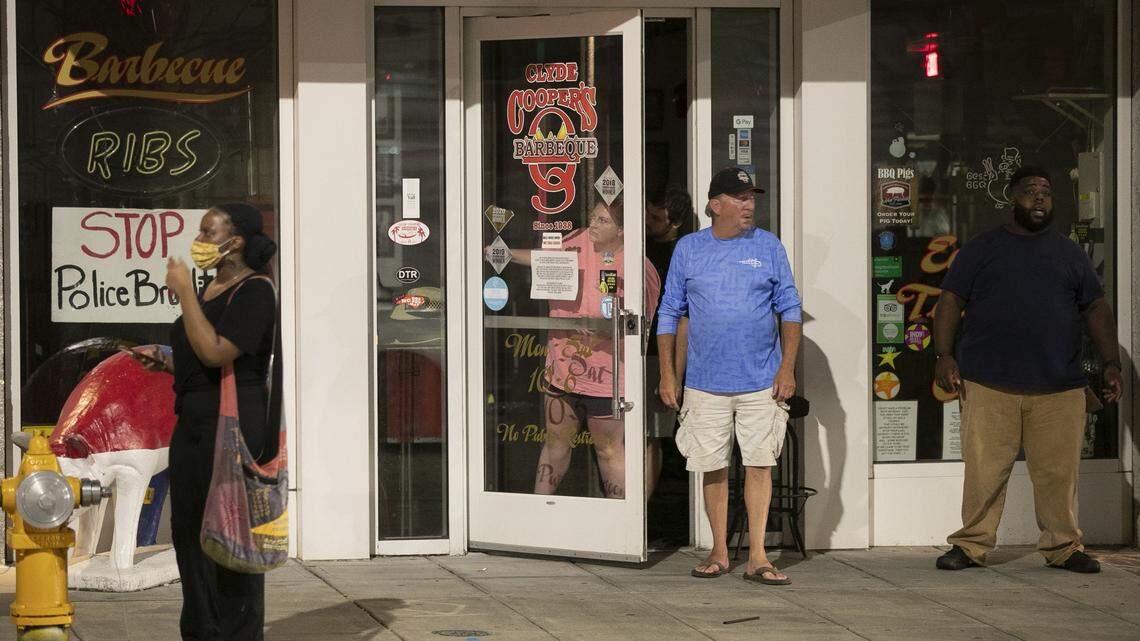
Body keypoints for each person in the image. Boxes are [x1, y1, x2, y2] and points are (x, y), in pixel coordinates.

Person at [934, 165, 1121, 574]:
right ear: (1011, 199)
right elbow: (949, 300)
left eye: (1046, 193)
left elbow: (1095, 307)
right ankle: (970, 545)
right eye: (1030, 192)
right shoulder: (983, 248)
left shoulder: (1069, 252)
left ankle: (1063, 547)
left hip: (1059, 385)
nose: (1039, 198)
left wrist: (1111, 362)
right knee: (984, 471)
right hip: (988, 382)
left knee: (1058, 475)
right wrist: (943, 355)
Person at [134, 203, 278, 640]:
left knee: (230, 539)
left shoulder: (255, 291)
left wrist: (183, 295)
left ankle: (236, 632)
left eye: (207, 232)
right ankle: (201, 630)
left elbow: (218, 351)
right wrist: (167, 360)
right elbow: (200, 355)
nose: (198, 241)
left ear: (235, 242)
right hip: (194, 427)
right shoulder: (211, 286)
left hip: (232, 429)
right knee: (191, 536)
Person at [657, 167, 802, 584]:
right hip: (704, 382)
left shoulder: (769, 246)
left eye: (752, 197)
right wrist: (669, 375)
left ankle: (758, 555)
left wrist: (786, 368)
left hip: (761, 380)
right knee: (712, 465)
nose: (749, 204)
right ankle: (719, 550)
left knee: (760, 464)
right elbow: (670, 311)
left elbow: (789, 308)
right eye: (739, 198)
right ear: (715, 205)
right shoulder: (689, 248)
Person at [494, 199, 660, 498]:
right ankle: (538, 512)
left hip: (609, 376)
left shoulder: (637, 265)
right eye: (593, 217)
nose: (593, 226)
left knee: (609, 451)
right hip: (563, 369)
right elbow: (542, 258)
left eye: (603, 221)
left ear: (622, 231)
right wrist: (501, 254)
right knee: (555, 446)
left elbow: (643, 323)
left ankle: (619, 525)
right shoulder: (575, 242)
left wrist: (605, 329)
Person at [644, 185, 693, 500]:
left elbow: (684, 320)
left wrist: (673, 374)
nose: (646, 221)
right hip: (631, 350)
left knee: (651, 436)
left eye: (654, 216)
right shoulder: (639, 245)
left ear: (674, 221)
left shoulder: (683, 255)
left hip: (658, 357)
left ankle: (643, 513)